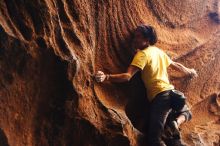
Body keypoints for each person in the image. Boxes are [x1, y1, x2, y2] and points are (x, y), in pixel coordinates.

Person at [95, 25, 197, 146]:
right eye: (134, 36)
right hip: (172, 94)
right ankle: (176, 122)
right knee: (185, 115)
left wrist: (106, 77)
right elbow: (176, 65)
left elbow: (128, 76)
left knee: (154, 139)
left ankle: (173, 124)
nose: (135, 39)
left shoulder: (142, 55)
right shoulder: (159, 51)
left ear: (147, 39)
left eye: (138, 36)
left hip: (160, 98)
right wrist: (190, 72)